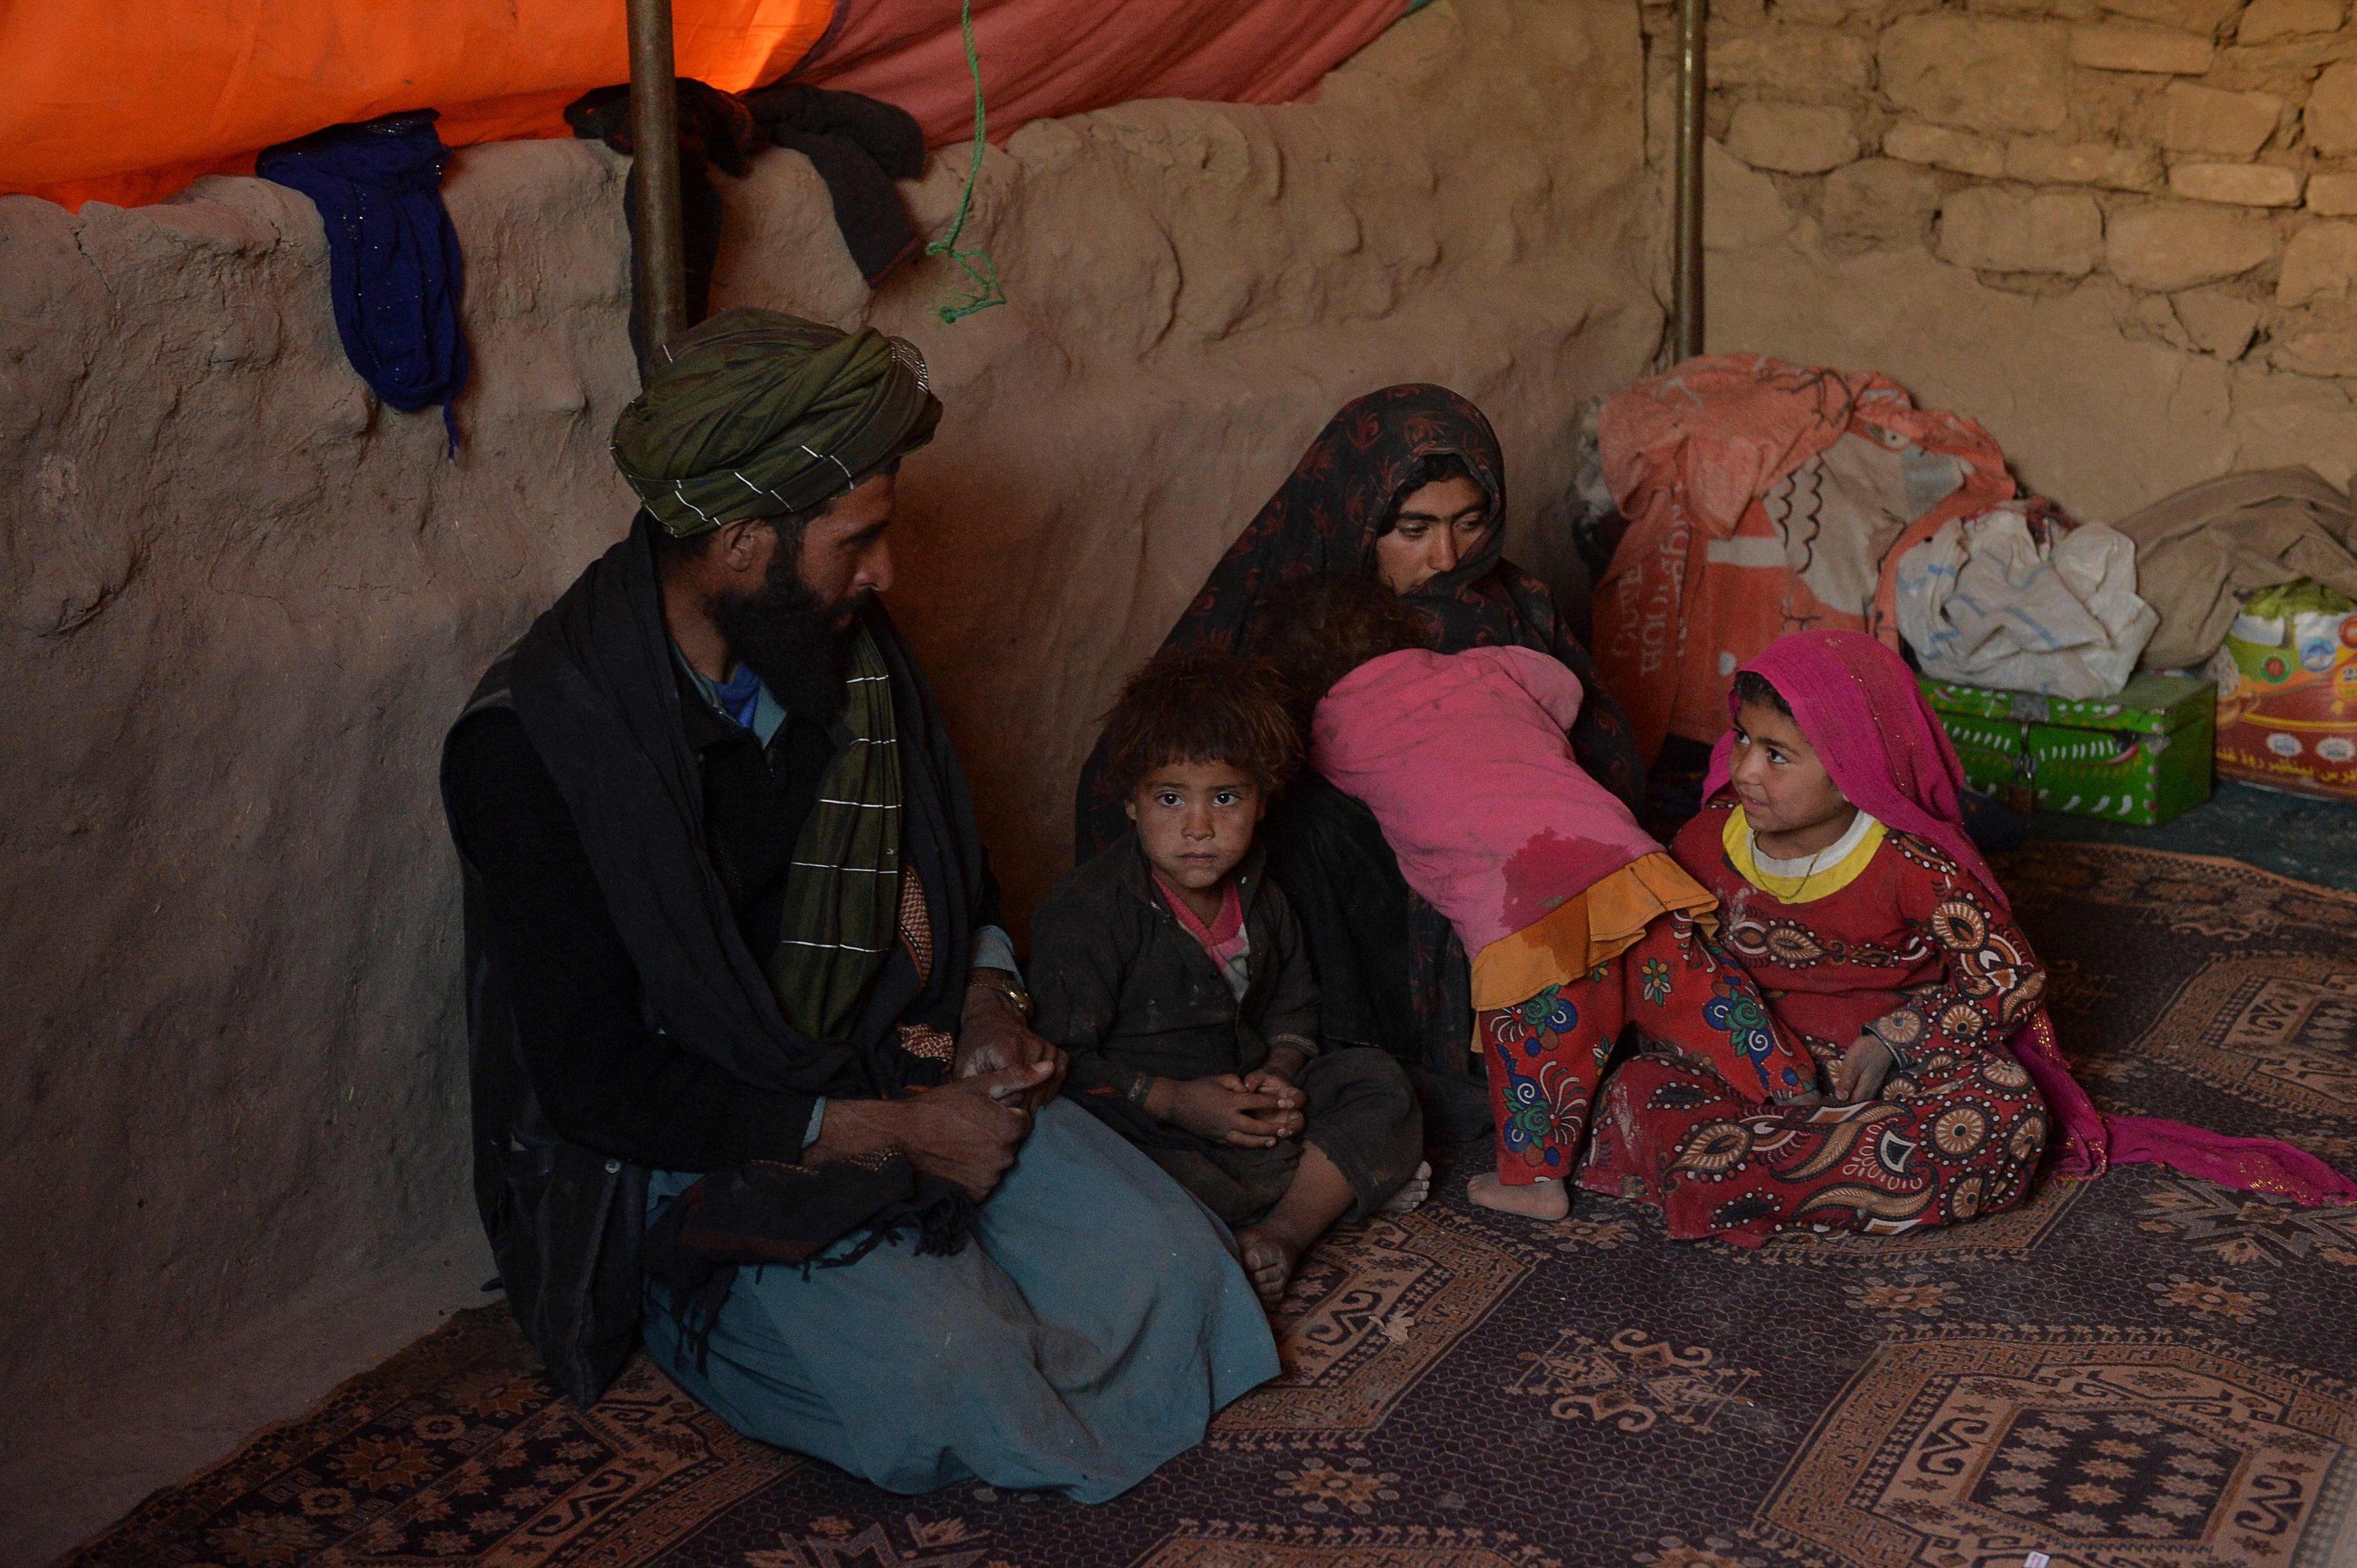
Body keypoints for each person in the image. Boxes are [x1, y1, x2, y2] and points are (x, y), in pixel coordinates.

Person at [440, 310, 1275, 1503]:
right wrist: (887, 1133)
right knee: (961, 1371)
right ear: (740, 546)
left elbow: (955, 876)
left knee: (1176, 1279)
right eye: (857, 540)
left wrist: (986, 1004)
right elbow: (595, 1080)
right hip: (703, 1136)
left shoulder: (841, 650)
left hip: (908, 1052)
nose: (885, 573)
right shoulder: (535, 747)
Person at [1580, 629, 2357, 1246]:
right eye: (1742, 739)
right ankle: (1816, 1169)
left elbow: (2008, 978)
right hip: (1748, 1072)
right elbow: (1668, 955)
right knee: (1638, 1093)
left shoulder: (1910, 862)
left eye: (1778, 753)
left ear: (1854, 763)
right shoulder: (1710, 838)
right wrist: (1739, 1045)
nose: (1745, 769)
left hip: (1887, 1079)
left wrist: (1895, 1039)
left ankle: (1753, 1174)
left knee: (2007, 1117)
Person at [1073, 385, 1648, 1136]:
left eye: (1470, 523)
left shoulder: (1517, 607)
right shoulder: (1296, 618)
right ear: (1356, 520)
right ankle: (1358, 1058)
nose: (1446, 556)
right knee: (1306, 819)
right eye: (1413, 529)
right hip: (1357, 903)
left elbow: (1603, 746)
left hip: (1524, 873)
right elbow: (1165, 762)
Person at [1278, 581, 1818, 1221]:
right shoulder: (1482, 665)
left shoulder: (1331, 732)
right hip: (1619, 860)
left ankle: (1536, 1181)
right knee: (1694, 990)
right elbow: (1564, 687)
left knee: (1536, 1047)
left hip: (1519, 905)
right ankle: (1792, 1085)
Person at [1032, 648, 1427, 1304]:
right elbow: (1064, 1059)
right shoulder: (1088, 913)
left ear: (1262, 800)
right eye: (1169, 798)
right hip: (1154, 1121)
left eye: (1225, 797)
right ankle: (1332, 1184)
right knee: (1090, 1155)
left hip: (1250, 1112)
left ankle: (1283, 1232)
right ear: (1130, 803)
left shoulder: (1262, 897)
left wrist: (1279, 1073)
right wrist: (1179, 1101)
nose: (1199, 827)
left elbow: (1295, 1012)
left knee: (1378, 1082)